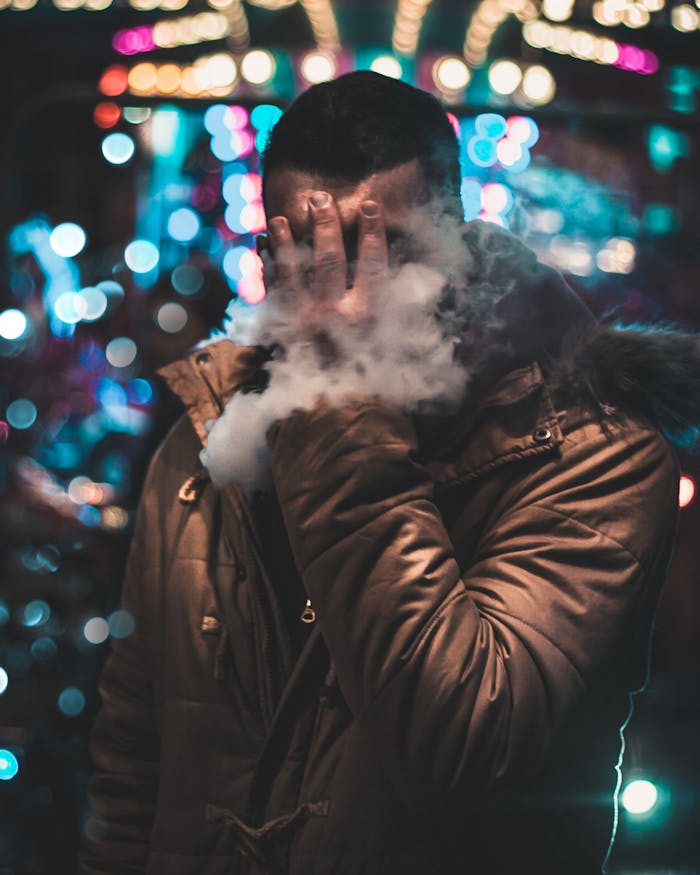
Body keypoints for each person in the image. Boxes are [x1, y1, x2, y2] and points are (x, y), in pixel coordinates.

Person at [78, 71, 700, 875]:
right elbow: (133, 766)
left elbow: (459, 746)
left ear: (456, 244)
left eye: (385, 253)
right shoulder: (205, 442)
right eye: (312, 257)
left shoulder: (591, 452)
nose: (346, 298)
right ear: (268, 256)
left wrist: (336, 405)